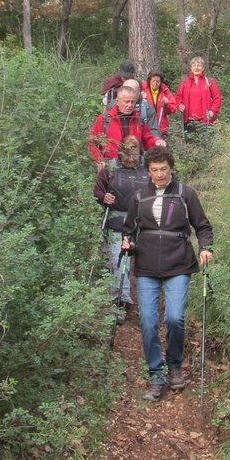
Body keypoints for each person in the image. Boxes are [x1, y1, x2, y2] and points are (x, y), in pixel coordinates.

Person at [121, 145, 214, 401]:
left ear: (170, 168)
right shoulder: (139, 196)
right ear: (148, 171)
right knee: (148, 321)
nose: (159, 174)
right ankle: (155, 374)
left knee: (174, 317)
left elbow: (203, 226)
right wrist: (127, 242)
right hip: (147, 265)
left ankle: (174, 366)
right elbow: (128, 229)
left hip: (178, 263)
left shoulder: (186, 193)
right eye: (154, 170)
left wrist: (206, 248)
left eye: (163, 169)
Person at [93, 136, 148, 313]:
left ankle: (147, 301)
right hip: (116, 221)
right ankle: (121, 301)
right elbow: (97, 190)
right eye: (127, 155)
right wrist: (103, 197)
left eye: (135, 155)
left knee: (146, 262)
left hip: (144, 222)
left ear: (140, 153)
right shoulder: (110, 168)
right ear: (120, 153)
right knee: (118, 260)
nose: (131, 159)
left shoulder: (148, 169)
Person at [88, 86, 161, 167]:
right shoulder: (104, 119)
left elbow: (148, 141)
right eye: (126, 102)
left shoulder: (139, 119)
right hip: (111, 166)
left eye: (132, 102)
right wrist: (99, 160)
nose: (130, 105)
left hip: (135, 164)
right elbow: (91, 142)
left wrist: (157, 142)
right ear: (118, 101)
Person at [175, 56, 222, 134]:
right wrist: (179, 105)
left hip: (205, 120)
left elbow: (217, 99)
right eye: (194, 65)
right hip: (188, 120)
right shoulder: (185, 82)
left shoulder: (210, 81)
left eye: (199, 65)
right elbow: (177, 97)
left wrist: (212, 111)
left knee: (205, 145)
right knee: (190, 145)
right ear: (191, 68)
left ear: (203, 68)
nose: (197, 68)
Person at [142, 71, 178, 136]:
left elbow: (173, 109)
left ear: (161, 82)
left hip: (161, 128)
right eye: (153, 81)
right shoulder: (142, 90)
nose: (155, 83)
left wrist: (167, 104)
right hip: (146, 128)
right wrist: (141, 99)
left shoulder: (165, 91)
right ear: (149, 81)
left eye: (158, 81)